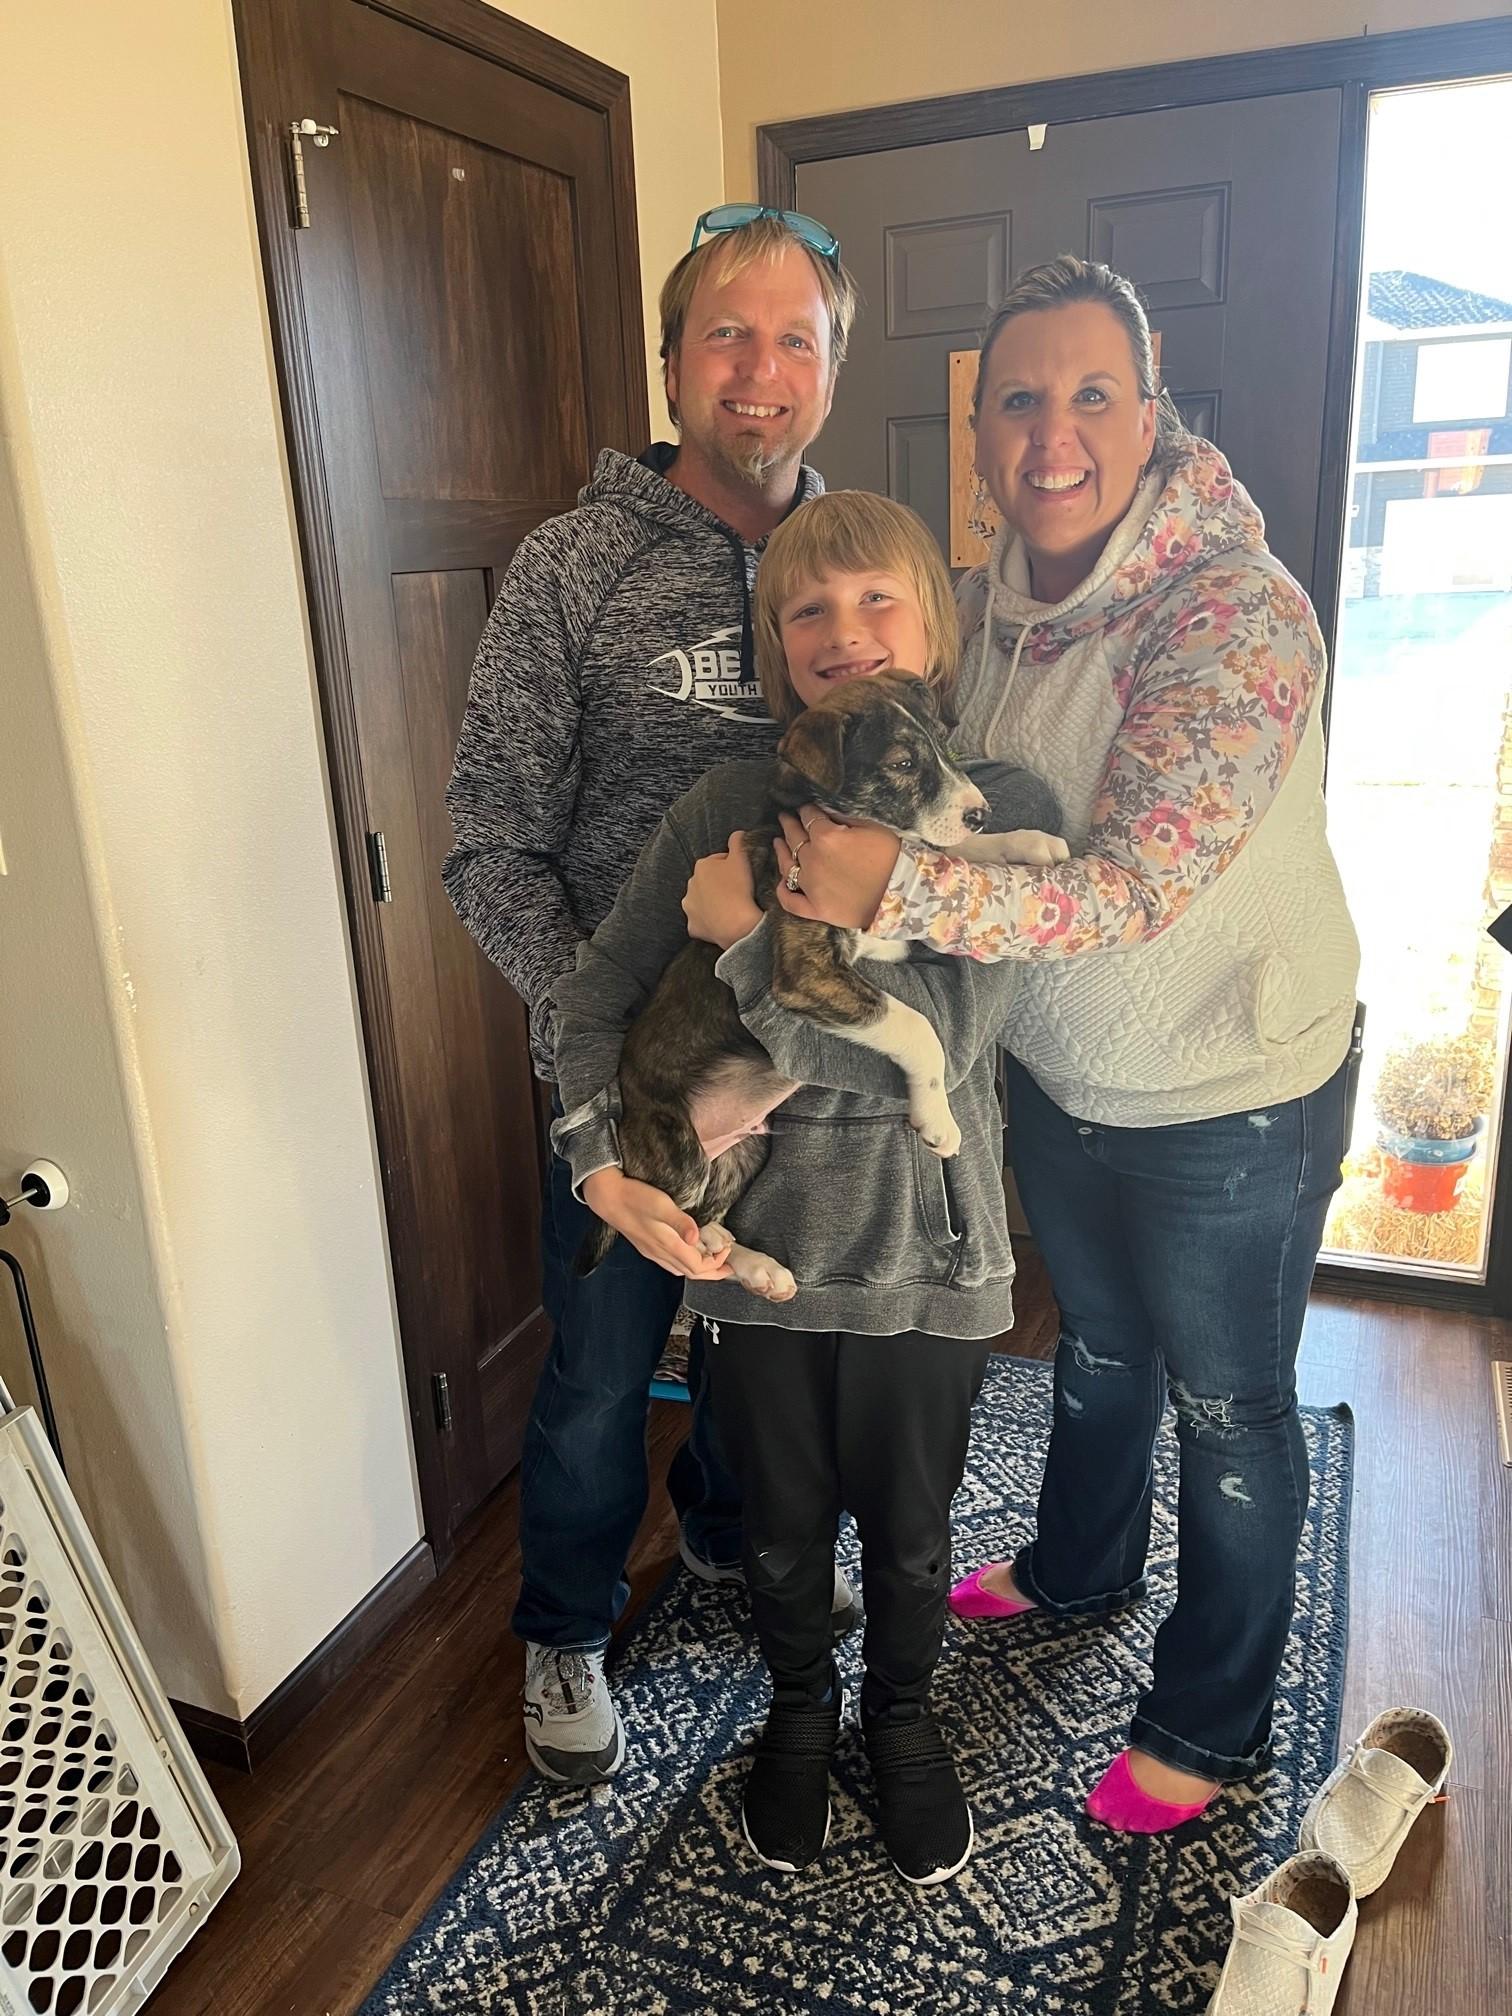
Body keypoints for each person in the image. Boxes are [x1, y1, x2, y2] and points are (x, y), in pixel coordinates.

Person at [769, 256, 1362, 1836]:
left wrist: (889, 885)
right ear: (980, 431)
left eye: (1090, 394)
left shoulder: (1235, 611)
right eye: (1017, 400)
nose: (1051, 433)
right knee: (1096, 1351)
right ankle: (1078, 1561)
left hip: (1236, 1090)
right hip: (1067, 1076)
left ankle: (1211, 1714)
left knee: (1232, 1408)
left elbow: (1140, 881)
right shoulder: (1002, 605)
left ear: (1151, 415)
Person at [551, 491, 1034, 1885]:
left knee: (914, 1528)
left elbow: (943, 1051)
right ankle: (802, 1718)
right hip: (759, 1258)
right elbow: (592, 1003)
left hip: (927, 1256)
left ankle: (902, 1721)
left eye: (877, 598)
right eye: (807, 610)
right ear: (776, 646)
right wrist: (595, 1157)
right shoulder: (723, 805)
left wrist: (752, 938)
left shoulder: (993, 812)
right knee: (774, 1527)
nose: (843, 632)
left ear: (934, 625)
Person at [443, 208, 861, 1786]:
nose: (760, 373)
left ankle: (729, 1540)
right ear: (675, 359)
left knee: (768, 1353)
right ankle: (561, 1630)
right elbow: (488, 843)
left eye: (794, 339)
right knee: (601, 1376)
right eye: (727, 337)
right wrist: (599, 1043)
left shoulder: (860, 565)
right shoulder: (572, 567)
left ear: (835, 366)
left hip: (801, 1072)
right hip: (616, 1083)